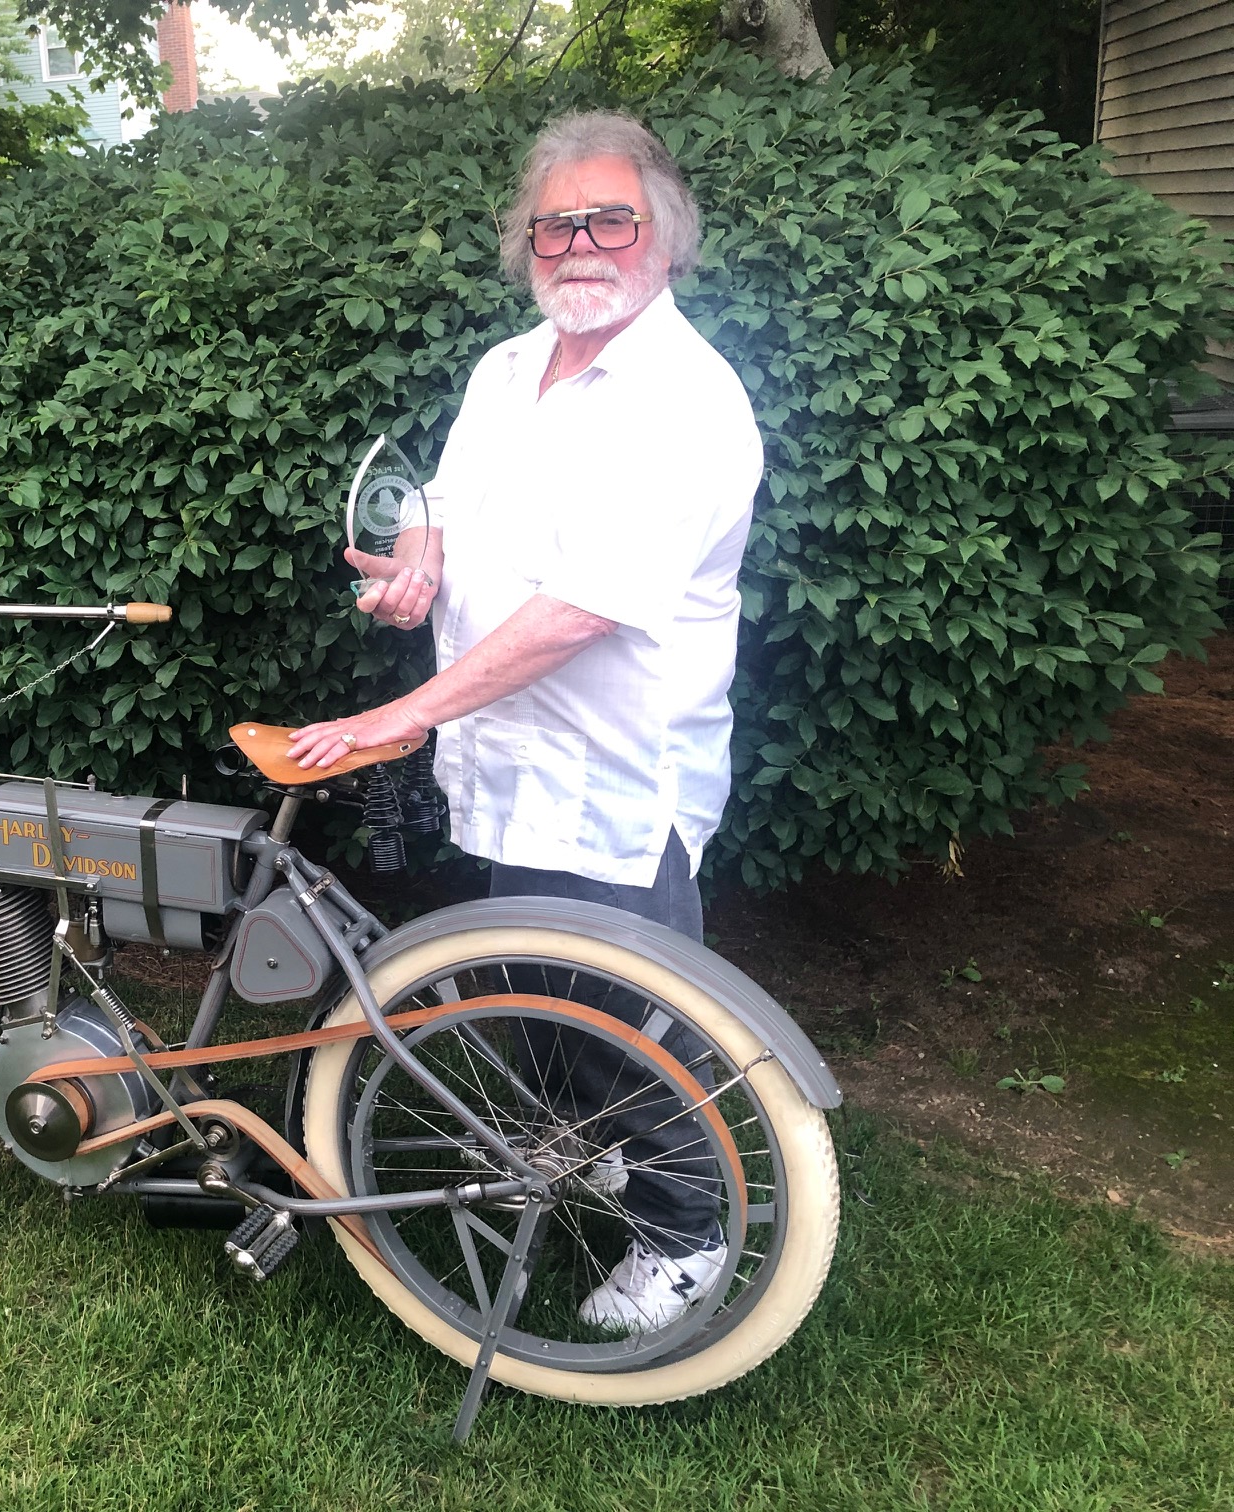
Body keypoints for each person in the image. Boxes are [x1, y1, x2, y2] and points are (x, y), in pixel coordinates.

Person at [287, 110, 763, 1334]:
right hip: (506, 757)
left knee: (634, 1014)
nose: (579, 244)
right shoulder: (508, 370)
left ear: (665, 240)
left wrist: (400, 711)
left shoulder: (688, 402)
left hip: (616, 772)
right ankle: (592, 1154)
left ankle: (686, 1233)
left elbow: (581, 613)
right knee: (536, 986)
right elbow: (445, 507)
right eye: (554, 224)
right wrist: (416, 563)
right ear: (526, 243)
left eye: (611, 219)